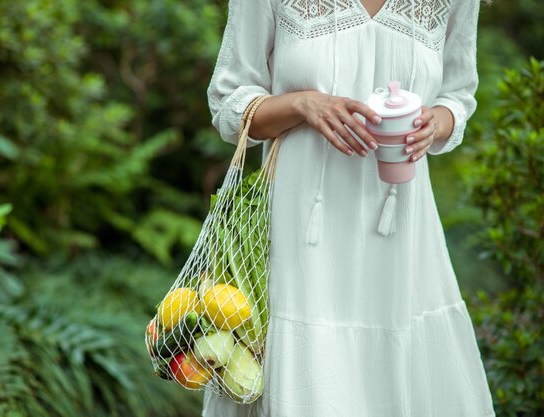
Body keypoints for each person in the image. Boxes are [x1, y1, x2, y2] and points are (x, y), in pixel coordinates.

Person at [203, 0, 497, 416]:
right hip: (299, 239)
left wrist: (438, 121)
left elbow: (459, 95)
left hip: (402, 240)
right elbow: (229, 103)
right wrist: (302, 104)